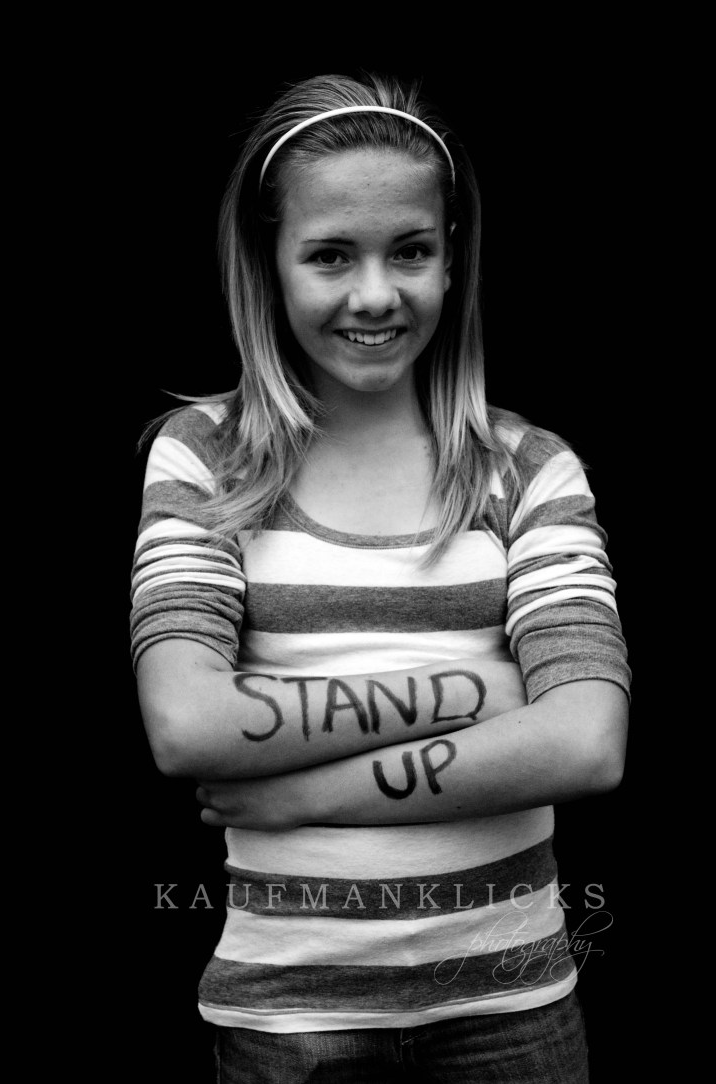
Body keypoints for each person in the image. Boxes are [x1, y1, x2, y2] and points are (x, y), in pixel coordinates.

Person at [131, 71, 630, 1083]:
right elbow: (187, 724)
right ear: (269, 263)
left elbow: (585, 741)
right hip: (293, 1021)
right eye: (329, 255)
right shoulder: (206, 457)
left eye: (410, 250)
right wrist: (481, 690)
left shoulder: (526, 467)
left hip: (514, 1014)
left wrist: (302, 792)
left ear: (451, 257)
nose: (373, 294)